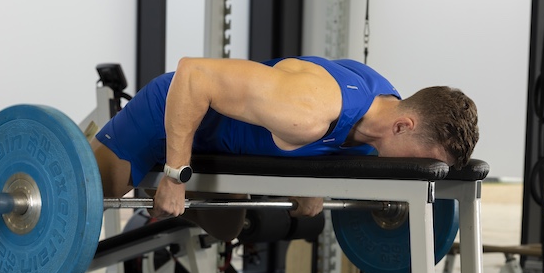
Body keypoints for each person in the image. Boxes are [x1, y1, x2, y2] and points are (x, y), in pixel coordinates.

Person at [91, 56, 479, 241]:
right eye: (424, 161)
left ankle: (148, 184)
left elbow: (326, 150)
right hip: (166, 116)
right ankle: (95, 154)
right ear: (403, 125)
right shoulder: (308, 109)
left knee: (227, 227)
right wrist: (175, 174)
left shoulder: (380, 116)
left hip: (218, 150)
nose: (421, 170)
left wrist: (309, 186)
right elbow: (195, 75)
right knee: (87, 203)